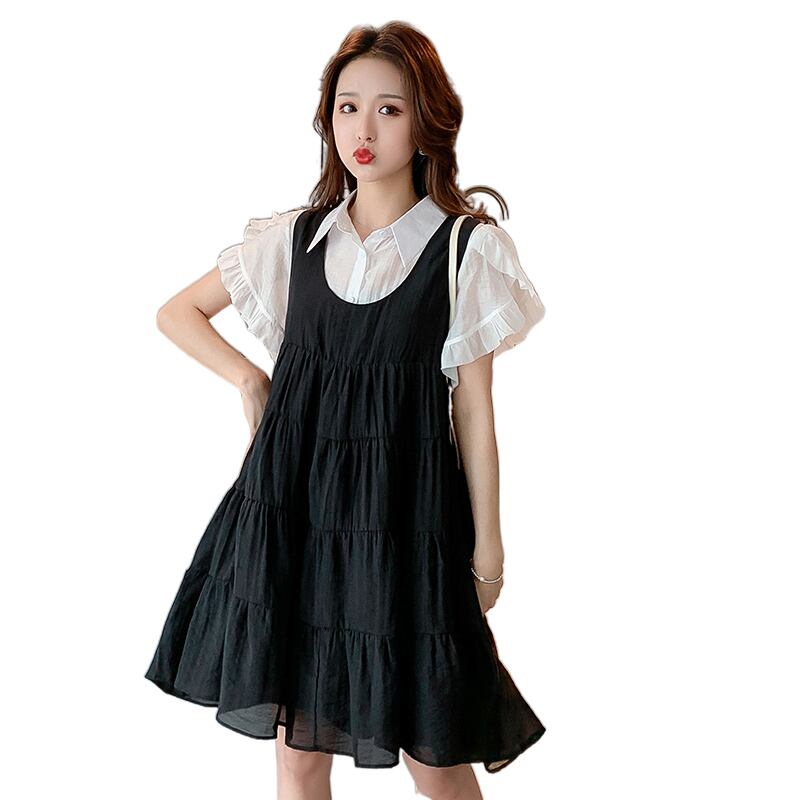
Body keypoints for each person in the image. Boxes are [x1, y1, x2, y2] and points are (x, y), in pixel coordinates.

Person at [145, 21, 547, 800]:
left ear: (428, 120)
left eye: (389, 109)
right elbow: (177, 313)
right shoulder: (295, 240)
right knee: (298, 752)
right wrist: (249, 380)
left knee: (434, 752)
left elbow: (475, 414)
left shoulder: (463, 251)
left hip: (405, 522)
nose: (363, 129)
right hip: (292, 513)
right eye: (347, 107)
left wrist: (489, 549)